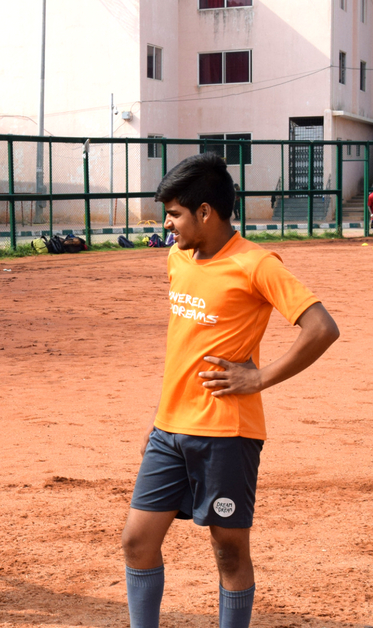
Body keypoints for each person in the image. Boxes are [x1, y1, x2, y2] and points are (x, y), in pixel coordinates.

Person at [122, 153, 340, 628]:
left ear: (205, 212)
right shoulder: (177, 258)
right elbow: (184, 346)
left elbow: (321, 328)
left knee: (229, 551)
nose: (168, 223)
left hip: (227, 433)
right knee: (137, 541)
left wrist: (258, 377)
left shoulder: (256, 264)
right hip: (168, 431)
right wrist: (159, 418)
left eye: (175, 213)